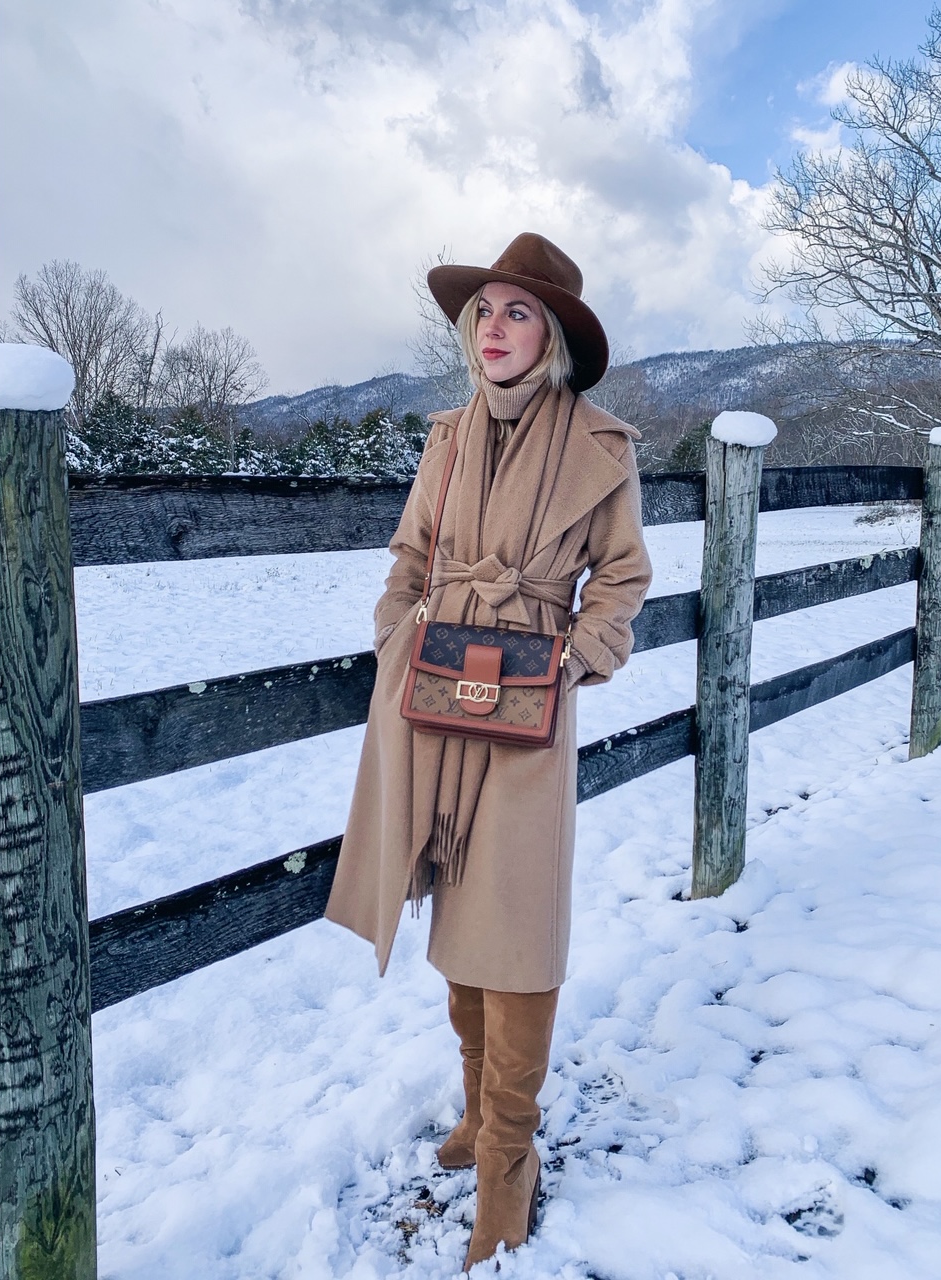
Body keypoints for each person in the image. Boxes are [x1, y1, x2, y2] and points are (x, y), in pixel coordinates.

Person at [326, 232, 652, 1271]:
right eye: (485, 313)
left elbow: (624, 574)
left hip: (524, 702)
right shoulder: (446, 437)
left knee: (515, 914)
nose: (495, 328)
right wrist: (393, 625)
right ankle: (474, 1108)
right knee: (451, 891)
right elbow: (412, 552)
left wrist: (577, 656)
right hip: (430, 684)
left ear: (550, 336)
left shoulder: (603, 445)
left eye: (518, 312)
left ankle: (509, 1155)